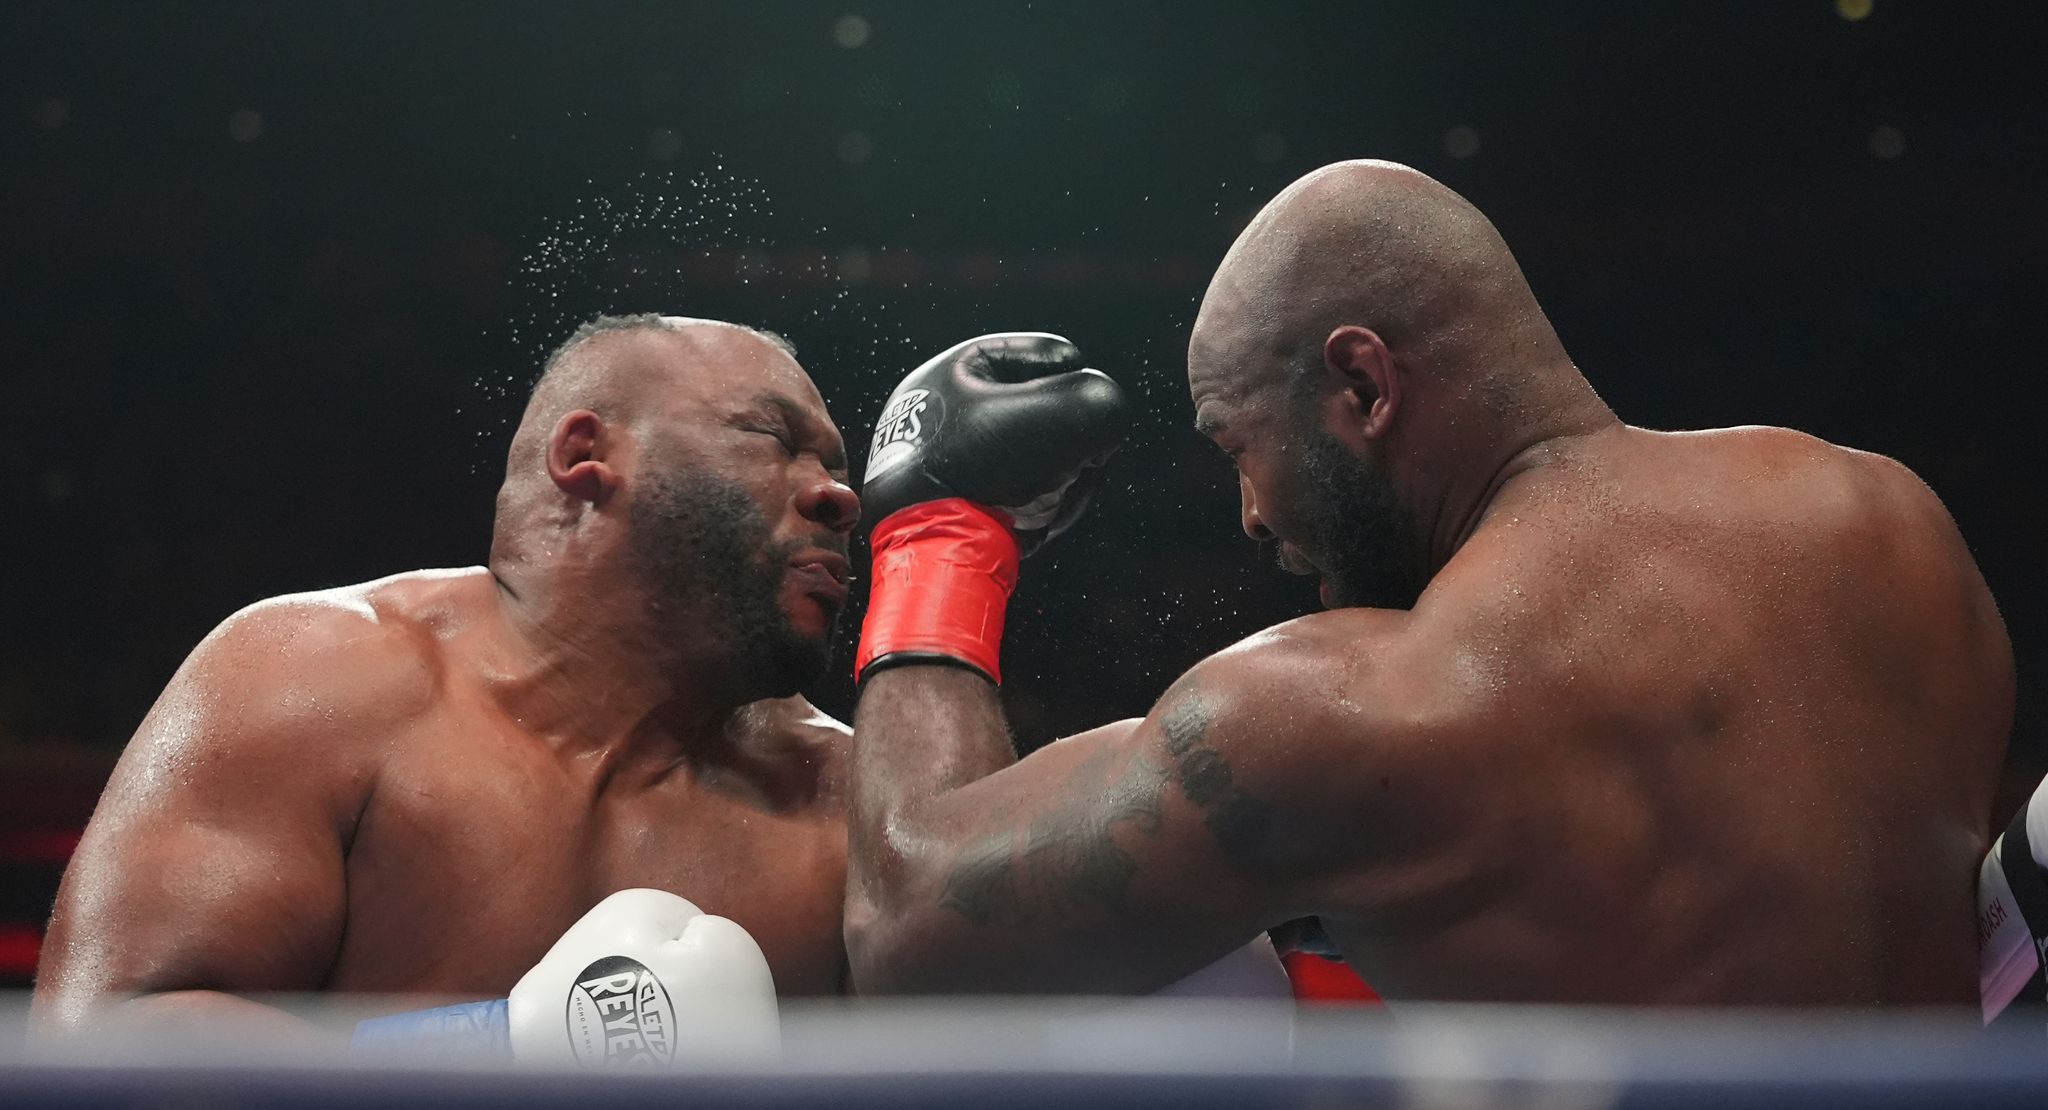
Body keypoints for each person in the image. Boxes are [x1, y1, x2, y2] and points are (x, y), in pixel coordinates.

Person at [843, 159, 2013, 1004]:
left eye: (1237, 444)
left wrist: (936, 536)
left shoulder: (1347, 712)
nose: (1248, 513)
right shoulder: (1885, 521)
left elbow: (907, 926)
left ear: (1361, 386)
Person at [36, 315, 861, 1040]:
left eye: (839, 466)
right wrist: (492, 1052)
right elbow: (106, 1044)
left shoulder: (843, 803)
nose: (839, 497)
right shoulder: (321, 678)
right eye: (773, 439)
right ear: (585, 454)